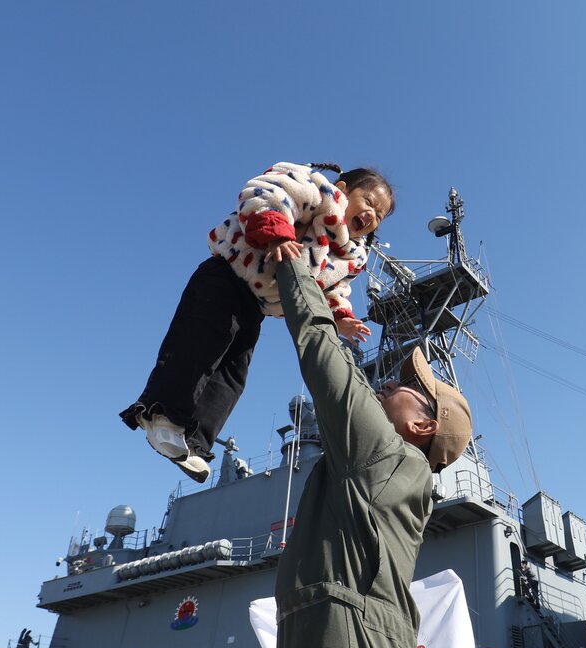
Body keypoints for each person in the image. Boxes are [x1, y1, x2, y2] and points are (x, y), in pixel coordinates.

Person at [269, 245, 473, 648]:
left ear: (424, 426)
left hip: (346, 640)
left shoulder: (384, 453)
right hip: (346, 634)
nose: (395, 382)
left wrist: (293, 265)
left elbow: (321, 353)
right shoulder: (396, 469)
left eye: (413, 388)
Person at [121, 162, 394, 483]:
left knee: (233, 374)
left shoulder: (348, 255)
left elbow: (335, 288)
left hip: (255, 304)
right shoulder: (317, 192)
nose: (372, 215)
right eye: (370, 203)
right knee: (198, 344)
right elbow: (267, 195)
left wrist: (342, 317)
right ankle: (161, 413)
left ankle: (194, 443)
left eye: (380, 216)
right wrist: (277, 235)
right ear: (344, 189)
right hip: (226, 274)